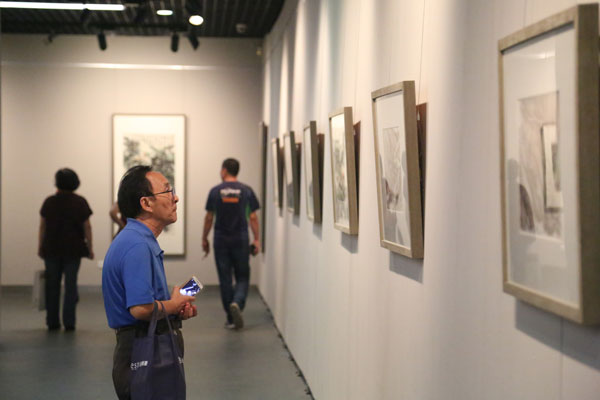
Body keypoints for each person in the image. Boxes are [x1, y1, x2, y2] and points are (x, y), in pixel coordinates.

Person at [102, 165, 197, 400]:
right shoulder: (137, 245)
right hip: (144, 350)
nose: (175, 198)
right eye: (167, 191)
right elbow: (141, 309)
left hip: (142, 345)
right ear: (146, 203)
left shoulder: (135, 239)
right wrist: (174, 304)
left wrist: (174, 308)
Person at [202, 158, 260, 330]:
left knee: (225, 278)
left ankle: (230, 317)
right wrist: (257, 239)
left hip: (221, 240)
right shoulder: (246, 191)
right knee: (242, 276)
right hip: (240, 239)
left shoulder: (215, 191)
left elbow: (209, 217)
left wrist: (204, 238)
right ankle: (237, 303)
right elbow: (253, 217)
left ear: (224, 170)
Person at [38, 168, 93, 331]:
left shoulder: (49, 202)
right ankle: (69, 322)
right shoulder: (80, 202)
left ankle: (52, 321)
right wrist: (90, 247)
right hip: (73, 250)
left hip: (51, 248)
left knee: (52, 286)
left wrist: (40, 246)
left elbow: (42, 227)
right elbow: (87, 227)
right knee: (71, 285)